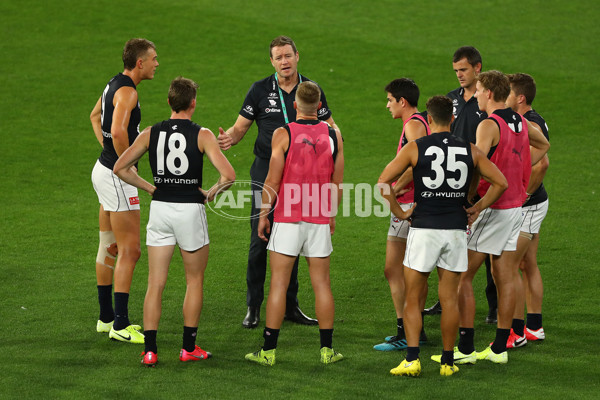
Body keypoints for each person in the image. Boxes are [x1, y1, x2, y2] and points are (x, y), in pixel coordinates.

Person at [378, 95, 507, 377]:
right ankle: (448, 362)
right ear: (453, 119)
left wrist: (399, 212)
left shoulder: (415, 147)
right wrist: (476, 207)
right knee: (449, 299)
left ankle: (412, 360)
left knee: (413, 298)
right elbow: (501, 182)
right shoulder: (470, 149)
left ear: (430, 120)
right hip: (456, 232)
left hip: (424, 229)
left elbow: (383, 181)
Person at [218, 36, 340, 329]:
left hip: (300, 174)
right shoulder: (260, 90)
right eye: (278, 57)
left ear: (298, 56)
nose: (284, 61)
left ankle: (290, 305)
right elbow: (241, 127)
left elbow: (331, 126)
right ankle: (253, 306)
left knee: (294, 236)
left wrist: (334, 139)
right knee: (259, 240)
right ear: (271, 62)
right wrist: (229, 139)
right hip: (266, 170)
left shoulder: (311, 90)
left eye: (288, 55)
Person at [113, 77, 236, 367]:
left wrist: (151, 188)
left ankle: (150, 351)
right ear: (193, 103)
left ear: (169, 102)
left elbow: (120, 167)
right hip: (190, 212)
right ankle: (188, 348)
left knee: (155, 283)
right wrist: (210, 194)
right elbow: (229, 175)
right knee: (194, 280)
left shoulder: (150, 132)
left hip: (160, 210)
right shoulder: (203, 134)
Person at [244, 81, 344, 366]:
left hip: (287, 218)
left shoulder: (283, 133)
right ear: (319, 106)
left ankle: (268, 352)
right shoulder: (334, 135)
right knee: (322, 284)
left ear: (295, 105)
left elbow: (272, 180)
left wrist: (264, 214)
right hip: (319, 218)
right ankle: (327, 351)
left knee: (278, 284)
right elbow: (337, 183)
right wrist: (331, 214)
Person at [456, 70, 549, 365]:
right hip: (514, 209)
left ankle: (466, 348)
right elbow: (543, 146)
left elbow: (476, 164)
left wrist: (472, 201)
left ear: (490, 94)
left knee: (463, 275)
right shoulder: (521, 121)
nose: (477, 94)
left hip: (492, 208)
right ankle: (499, 349)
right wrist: (518, 175)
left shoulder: (489, 124)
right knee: (505, 275)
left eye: (479, 89)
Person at [90, 38, 159, 344]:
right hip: (115, 178)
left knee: (108, 245)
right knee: (130, 250)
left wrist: (109, 155)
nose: (157, 64)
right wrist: (124, 164)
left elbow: (95, 117)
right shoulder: (129, 92)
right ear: (140, 63)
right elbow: (118, 131)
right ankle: (121, 324)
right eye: (154, 59)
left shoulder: (112, 84)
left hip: (101, 171)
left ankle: (105, 319)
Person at [424, 46, 495, 321]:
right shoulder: (450, 100)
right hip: (452, 184)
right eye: (455, 71)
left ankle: (495, 306)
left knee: (489, 248)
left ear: (478, 68)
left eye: (463, 70)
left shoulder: (487, 103)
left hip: (479, 183)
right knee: (448, 241)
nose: (459, 76)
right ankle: (445, 301)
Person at [373, 78, 430, 352]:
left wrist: (397, 186)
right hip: (415, 204)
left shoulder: (413, 124)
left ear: (402, 101)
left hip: (409, 207)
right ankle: (413, 328)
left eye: (389, 100)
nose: (387, 105)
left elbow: (421, 161)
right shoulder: (420, 121)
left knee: (396, 269)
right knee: (408, 271)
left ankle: (407, 331)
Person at [505, 73, 550, 347]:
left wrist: (523, 196)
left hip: (529, 205)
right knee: (526, 264)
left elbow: (542, 165)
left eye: (508, 93)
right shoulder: (531, 120)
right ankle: (534, 326)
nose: (504, 98)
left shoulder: (529, 123)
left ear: (520, 98)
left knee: (509, 267)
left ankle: (517, 332)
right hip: (533, 203)